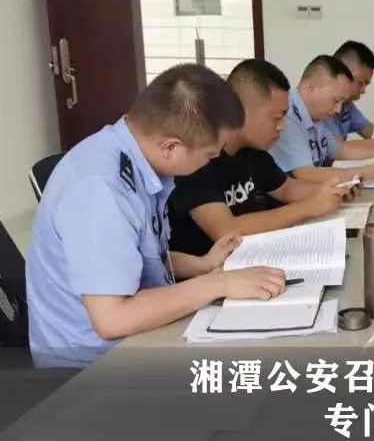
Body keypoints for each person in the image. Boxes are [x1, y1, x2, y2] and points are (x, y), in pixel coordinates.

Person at [25, 64, 287, 368]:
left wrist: (202, 265)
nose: (210, 164)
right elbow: (112, 319)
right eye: (209, 155)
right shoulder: (101, 190)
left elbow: (134, 255)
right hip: (90, 366)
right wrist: (218, 284)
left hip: (137, 334)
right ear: (171, 147)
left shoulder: (136, 156)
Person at [168, 59, 361, 257]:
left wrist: (334, 190)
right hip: (208, 270)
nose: (282, 127)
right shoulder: (197, 158)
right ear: (239, 111)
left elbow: (286, 189)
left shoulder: (253, 151)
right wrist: (308, 207)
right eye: (277, 117)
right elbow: (226, 230)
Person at [268, 55, 374, 183]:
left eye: (342, 102)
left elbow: (340, 150)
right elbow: (306, 174)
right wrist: (370, 172)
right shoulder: (287, 116)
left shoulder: (316, 114)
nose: (338, 110)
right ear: (312, 87)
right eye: (336, 100)